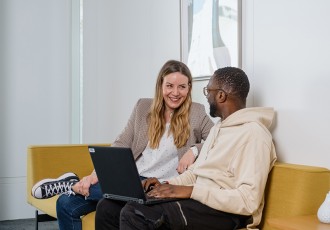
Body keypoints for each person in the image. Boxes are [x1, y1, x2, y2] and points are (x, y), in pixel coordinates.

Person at [31, 60, 214, 230]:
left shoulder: (196, 112)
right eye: (169, 86)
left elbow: (218, 141)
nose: (175, 92)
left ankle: (71, 184)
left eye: (182, 87)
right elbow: (122, 142)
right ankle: (72, 185)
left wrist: (193, 150)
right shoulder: (143, 107)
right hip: (132, 177)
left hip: (159, 184)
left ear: (189, 88)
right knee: (65, 204)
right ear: (160, 86)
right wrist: (95, 175)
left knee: (115, 198)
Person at [95, 66, 277, 230]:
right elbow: (195, 173)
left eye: (209, 91)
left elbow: (248, 201)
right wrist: (168, 185)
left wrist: (191, 191)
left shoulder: (254, 134)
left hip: (226, 212)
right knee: (108, 207)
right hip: (200, 200)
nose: (207, 96)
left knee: (136, 213)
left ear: (221, 95)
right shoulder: (219, 130)